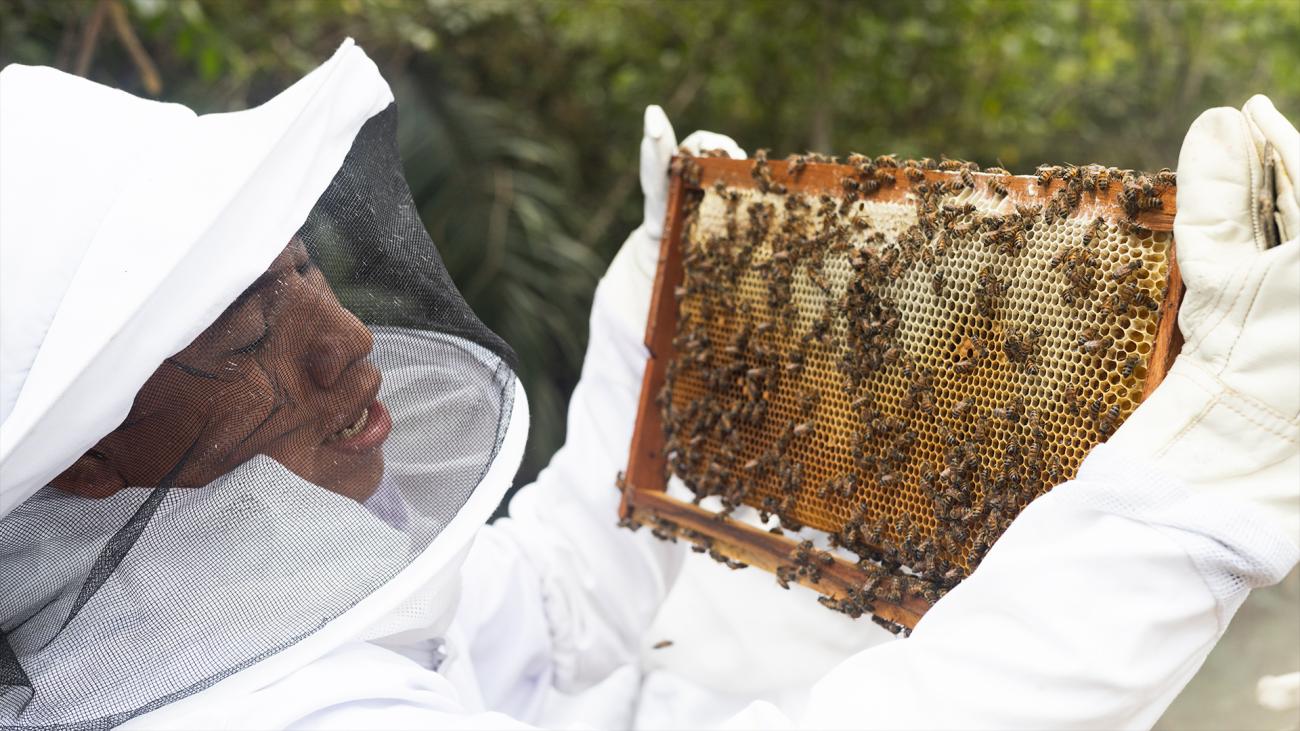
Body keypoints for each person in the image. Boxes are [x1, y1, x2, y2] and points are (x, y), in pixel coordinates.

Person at [0, 41, 1295, 730]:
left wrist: (653, 358)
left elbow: (538, 619)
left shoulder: (253, 585)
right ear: (85, 457)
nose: (342, 341)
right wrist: (1191, 493)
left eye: (301, 273)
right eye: (239, 332)